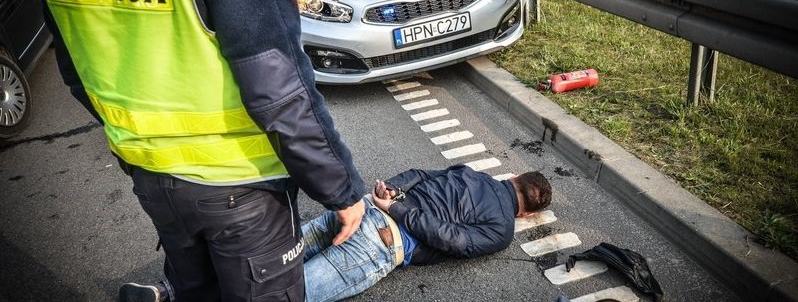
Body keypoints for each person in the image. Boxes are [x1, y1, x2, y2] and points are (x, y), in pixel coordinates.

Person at [25, 0, 366, 301]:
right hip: (243, 185)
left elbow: (73, 66)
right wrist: (341, 189)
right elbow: (278, 87)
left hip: (151, 174)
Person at [126, 165, 552, 302]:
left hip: (358, 212)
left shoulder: (469, 172)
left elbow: (420, 174)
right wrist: (397, 206)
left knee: (274, 256)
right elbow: (452, 239)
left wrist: (390, 190)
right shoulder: (501, 232)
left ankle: (169, 290)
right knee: (293, 293)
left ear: (512, 177)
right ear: (527, 215)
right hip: (382, 240)